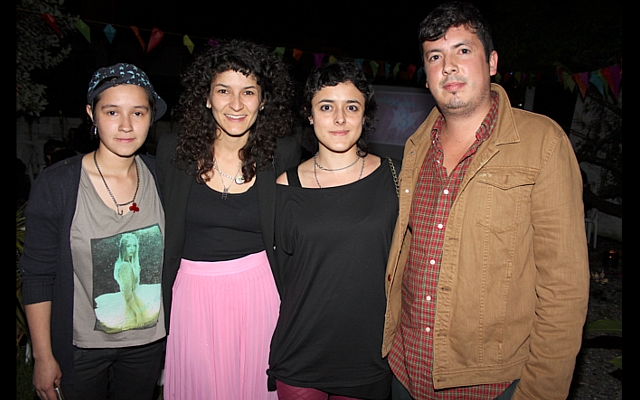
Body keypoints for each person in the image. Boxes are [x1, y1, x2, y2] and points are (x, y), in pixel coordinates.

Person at [382, 2, 590, 400]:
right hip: (404, 373)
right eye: (435, 56)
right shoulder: (415, 145)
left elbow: (564, 290)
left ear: (492, 62)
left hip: (491, 386)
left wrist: (540, 392)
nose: (448, 67)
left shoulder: (542, 143)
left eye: (463, 50)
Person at [156, 39, 301, 400]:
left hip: (258, 295)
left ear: (263, 100)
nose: (236, 104)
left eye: (248, 92)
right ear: (206, 97)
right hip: (191, 298)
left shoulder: (283, 153)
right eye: (223, 90)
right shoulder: (172, 152)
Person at [19, 63, 168, 400]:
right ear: (92, 114)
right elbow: (38, 275)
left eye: (138, 113)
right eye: (112, 112)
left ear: (151, 118)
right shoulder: (58, 184)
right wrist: (43, 356)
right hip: (79, 350)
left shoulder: (163, 177)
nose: (126, 125)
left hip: (147, 348)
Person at [267, 61, 399, 400]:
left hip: (367, 355)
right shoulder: (285, 187)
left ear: (365, 115)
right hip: (301, 351)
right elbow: (281, 274)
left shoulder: (395, 179)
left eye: (351, 107)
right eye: (326, 107)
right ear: (310, 116)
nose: (340, 118)